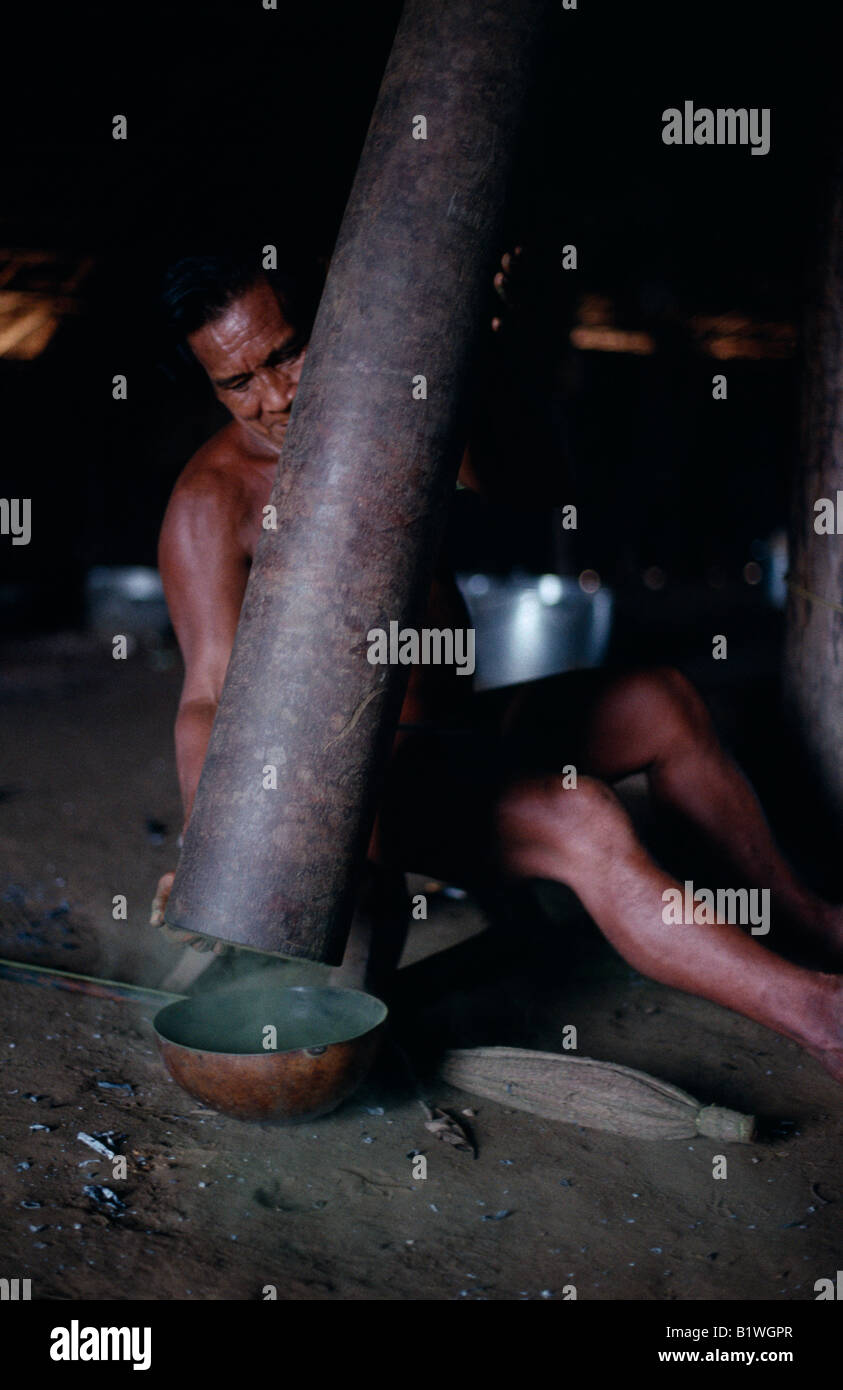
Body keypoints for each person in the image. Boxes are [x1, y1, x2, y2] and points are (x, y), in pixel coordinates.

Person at [150, 249, 843, 1082]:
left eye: (286, 352)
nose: (275, 395)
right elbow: (208, 695)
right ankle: (821, 1016)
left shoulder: (382, 419)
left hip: (463, 727)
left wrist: (474, 352)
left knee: (663, 701)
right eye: (237, 382)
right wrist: (211, 848)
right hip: (359, 788)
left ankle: (805, 919)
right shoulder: (211, 504)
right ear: (210, 386)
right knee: (580, 817)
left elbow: (524, 486)